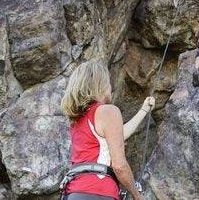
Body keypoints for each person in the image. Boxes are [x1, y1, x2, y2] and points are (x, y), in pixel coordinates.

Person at [61, 61, 155, 200]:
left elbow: (117, 135)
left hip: (73, 193)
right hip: (99, 192)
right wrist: (137, 195)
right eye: (108, 82)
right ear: (100, 84)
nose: (110, 87)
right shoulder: (108, 111)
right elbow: (119, 165)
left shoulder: (77, 120)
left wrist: (144, 110)